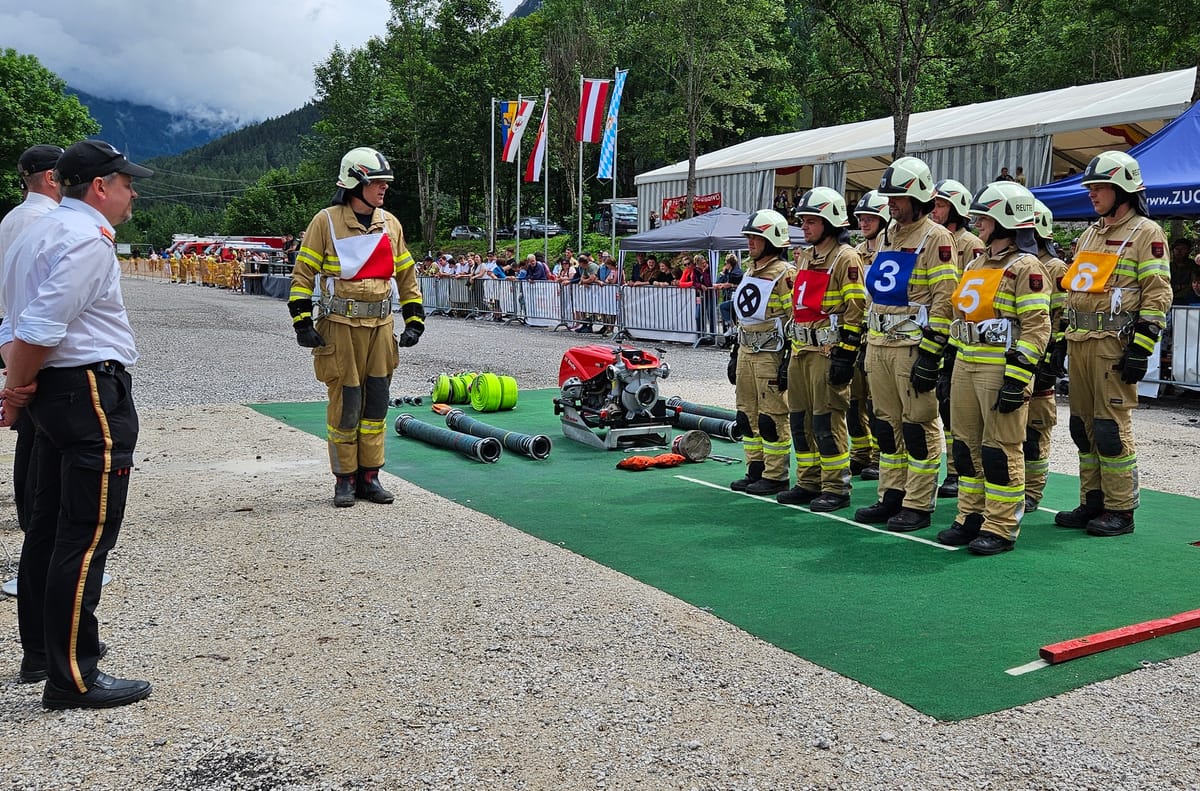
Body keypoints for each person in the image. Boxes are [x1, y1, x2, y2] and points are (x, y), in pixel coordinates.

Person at [0, 139, 153, 709]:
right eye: (126, 183)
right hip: (86, 388)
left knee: (46, 526)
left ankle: (42, 651)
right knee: (86, 534)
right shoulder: (86, 238)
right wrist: (15, 387)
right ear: (99, 186)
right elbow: (39, 326)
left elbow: (11, 321)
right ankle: (75, 674)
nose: (132, 192)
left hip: (51, 390)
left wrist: (18, 390)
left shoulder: (33, 229)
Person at [288, 146, 424, 508]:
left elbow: (406, 274)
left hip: (381, 327)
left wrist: (414, 319)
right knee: (347, 404)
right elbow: (303, 274)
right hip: (340, 326)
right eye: (377, 182)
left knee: (376, 403)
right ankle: (344, 479)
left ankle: (370, 476)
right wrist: (302, 322)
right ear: (355, 182)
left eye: (385, 183)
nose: (383, 189)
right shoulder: (326, 221)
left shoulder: (390, 223)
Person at [1053, 150, 1171, 537]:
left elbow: (1157, 295)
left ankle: (1121, 509)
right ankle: (1093, 502)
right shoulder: (1091, 232)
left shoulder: (1146, 233)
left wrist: (1141, 348)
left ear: (1123, 190)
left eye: (1099, 187)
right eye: (1090, 187)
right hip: (1080, 340)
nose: (1092, 193)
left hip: (1113, 345)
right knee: (1082, 427)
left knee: (1109, 427)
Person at [933, 182, 1050, 554]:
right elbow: (961, 318)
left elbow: (1036, 327)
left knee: (1000, 451)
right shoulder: (974, 263)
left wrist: (1018, 378)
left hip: (1000, 370)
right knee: (966, 448)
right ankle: (970, 515)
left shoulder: (1027, 267)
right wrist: (946, 363)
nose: (978, 222)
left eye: (984, 216)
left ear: (1006, 219)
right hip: (966, 364)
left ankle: (1000, 526)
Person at [855, 156, 957, 532]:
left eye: (897, 197)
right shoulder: (885, 237)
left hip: (913, 347)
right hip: (880, 346)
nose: (891, 204)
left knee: (918, 427)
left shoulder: (937, 237)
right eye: (889, 198)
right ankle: (891, 495)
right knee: (886, 426)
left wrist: (932, 353)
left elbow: (945, 297)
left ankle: (917, 503)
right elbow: (874, 293)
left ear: (917, 196)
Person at [776, 188, 866, 512]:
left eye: (812, 221)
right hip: (801, 350)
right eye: (803, 221)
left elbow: (857, 308)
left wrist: (846, 353)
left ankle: (836, 487)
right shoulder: (805, 257)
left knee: (827, 422)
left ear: (830, 222)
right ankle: (808, 481)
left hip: (827, 353)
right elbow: (796, 309)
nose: (805, 227)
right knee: (800, 422)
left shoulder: (846, 257)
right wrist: (788, 354)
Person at [0, 145, 63, 561]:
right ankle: (35, 532)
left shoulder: (19, 216)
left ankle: (35, 530)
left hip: (18, 333)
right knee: (36, 437)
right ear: (52, 177)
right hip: (25, 335)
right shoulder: (38, 220)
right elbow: (33, 293)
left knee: (33, 434)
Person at [728, 209, 796, 495]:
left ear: (772, 240)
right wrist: (734, 352)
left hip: (771, 353)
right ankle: (754, 467)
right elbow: (743, 317)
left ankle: (776, 473)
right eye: (749, 237)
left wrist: (788, 360)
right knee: (746, 414)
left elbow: (794, 318)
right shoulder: (751, 271)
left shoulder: (785, 274)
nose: (750, 243)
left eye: (756, 237)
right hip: (746, 349)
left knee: (772, 416)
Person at [930, 178, 986, 500]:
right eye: (935, 204)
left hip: (962, 337)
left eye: (941, 205)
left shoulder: (970, 244)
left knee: (955, 409)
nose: (935, 211)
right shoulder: (934, 239)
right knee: (944, 405)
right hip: (943, 332)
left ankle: (955, 471)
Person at [1023, 199, 1069, 514]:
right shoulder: (1013, 263)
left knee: (1034, 431)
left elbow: (1062, 319)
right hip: (1012, 359)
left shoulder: (1055, 268)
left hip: (1040, 363)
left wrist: (1052, 360)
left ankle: (1031, 492)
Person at [849, 191, 889, 481]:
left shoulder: (892, 251)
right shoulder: (855, 253)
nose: (863, 222)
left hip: (879, 335)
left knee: (877, 403)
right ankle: (860, 454)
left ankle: (878, 457)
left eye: (870, 217)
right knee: (854, 400)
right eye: (860, 218)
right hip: (856, 334)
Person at [715, 253, 743, 332]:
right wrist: (722, 274)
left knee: (724, 308)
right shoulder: (728, 273)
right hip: (727, 297)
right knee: (726, 316)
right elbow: (718, 282)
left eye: (725, 263)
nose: (725, 265)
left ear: (729, 263)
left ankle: (733, 330)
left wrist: (731, 285)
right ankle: (729, 338)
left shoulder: (737, 273)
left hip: (735, 298)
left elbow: (739, 285)